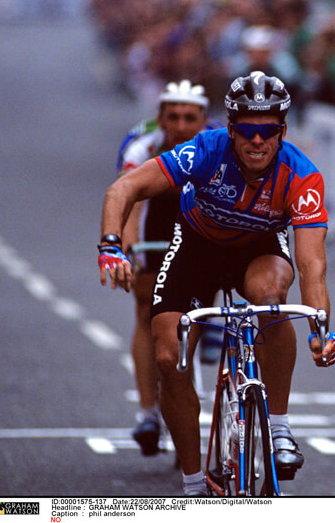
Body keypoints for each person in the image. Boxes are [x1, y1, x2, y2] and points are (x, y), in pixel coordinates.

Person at [98, 71, 335, 496]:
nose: (257, 141)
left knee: (272, 299)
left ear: (282, 131)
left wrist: (322, 328)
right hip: (196, 247)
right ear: (230, 130)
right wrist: (111, 246)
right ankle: (193, 484)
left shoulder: (302, 176)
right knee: (168, 357)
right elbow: (125, 188)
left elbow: (312, 265)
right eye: (247, 130)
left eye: (268, 131)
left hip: (259, 249)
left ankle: (280, 428)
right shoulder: (206, 151)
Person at [116, 79, 224, 457]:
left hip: (202, 221)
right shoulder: (141, 147)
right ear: (160, 118)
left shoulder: (218, 146)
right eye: (173, 117)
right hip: (156, 220)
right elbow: (129, 202)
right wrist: (128, 250)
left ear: (204, 120)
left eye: (189, 118)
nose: (180, 126)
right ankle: (148, 412)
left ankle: (209, 329)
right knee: (146, 309)